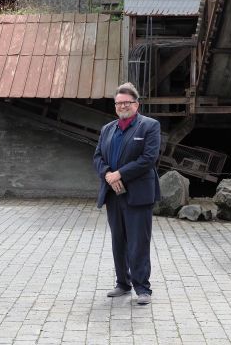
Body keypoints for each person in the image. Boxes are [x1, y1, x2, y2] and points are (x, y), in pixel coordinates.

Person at [93, 82, 161, 305]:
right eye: (118, 103)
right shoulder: (107, 129)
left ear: (136, 104)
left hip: (138, 194)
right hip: (113, 194)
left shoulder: (149, 126)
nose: (122, 106)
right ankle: (123, 283)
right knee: (118, 241)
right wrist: (108, 175)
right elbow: (97, 158)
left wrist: (120, 174)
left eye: (126, 102)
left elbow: (148, 159)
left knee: (138, 242)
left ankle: (143, 288)